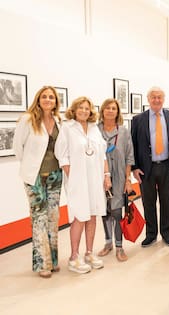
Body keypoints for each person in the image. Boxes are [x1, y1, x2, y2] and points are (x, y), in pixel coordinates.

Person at [55, 96, 110, 274]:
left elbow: (102, 154)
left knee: (92, 215)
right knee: (79, 216)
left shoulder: (94, 129)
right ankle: (73, 256)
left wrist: (105, 176)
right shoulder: (67, 128)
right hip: (77, 181)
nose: (84, 111)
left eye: (87, 108)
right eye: (81, 108)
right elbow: (62, 155)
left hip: (95, 179)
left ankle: (89, 253)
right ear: (74, 109)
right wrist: (73, 177)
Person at [13, 86, 63, 278]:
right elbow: (18, 147)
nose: (48, 99)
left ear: (55, 101)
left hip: (55, 175)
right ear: (38, 99)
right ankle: (43, 263)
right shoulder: (27, 119)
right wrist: (30, 164)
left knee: (53, 217)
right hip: (33, 176)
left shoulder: (58, 120)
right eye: (44, 96)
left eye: (51, 97)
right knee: (39, 218)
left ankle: (54, 260)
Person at [131, 87, 169, 247]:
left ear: (163, 99)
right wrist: (134, 167)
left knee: (167, 201)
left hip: (167, 166)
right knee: (148, 202)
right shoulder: (138, 119)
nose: (157, 100)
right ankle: (151, 234)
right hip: (146, 168)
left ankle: (167, 233)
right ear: (148, 99)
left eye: (159, 97)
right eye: (153, 97)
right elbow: (133, 145)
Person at [97, 98, 134, 262]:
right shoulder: (95, 131)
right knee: (104, 212)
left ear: (118, 112)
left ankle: (119, 247)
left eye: (114, 108)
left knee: (117, 211)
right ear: (102, 111)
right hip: (99, 176)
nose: (110, 111)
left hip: (119, 176)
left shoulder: (124, 132)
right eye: (107, 108)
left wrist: (128, 180)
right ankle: (107, 243)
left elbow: (129, 157)